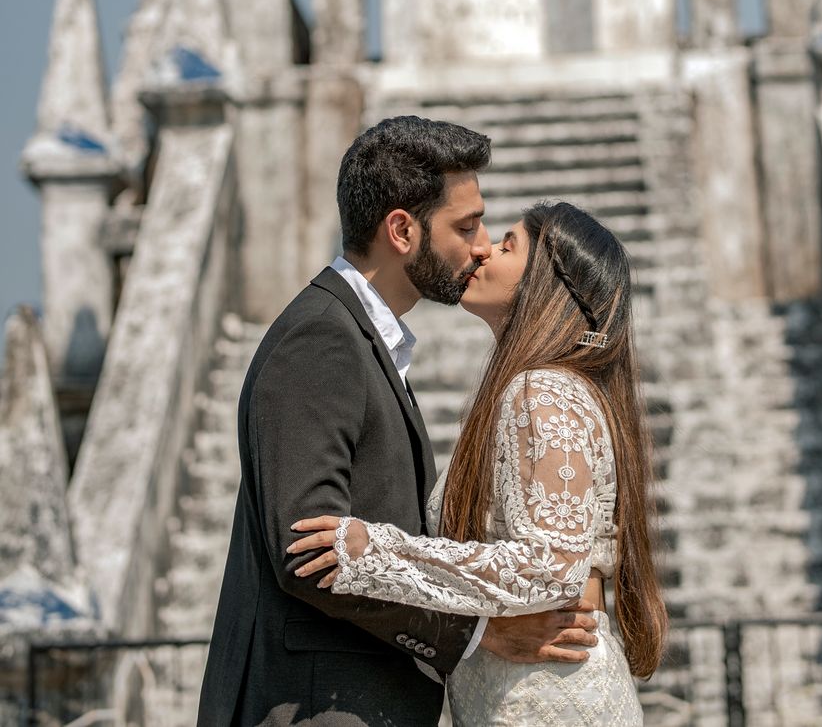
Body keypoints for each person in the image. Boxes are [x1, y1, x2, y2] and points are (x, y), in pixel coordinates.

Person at [197, 118, 602, 727]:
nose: (482, 245)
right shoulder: (322, 339)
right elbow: (308, 551)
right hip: (319, 706)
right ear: (402, 230)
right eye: (466, 226)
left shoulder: (365, 342)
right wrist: (474, 634)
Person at [287, 200, 666, 725]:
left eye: (509, 245)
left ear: (546, 283)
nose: (483, 249)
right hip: (521, 686)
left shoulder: (543, 390)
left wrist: (376, 552)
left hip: (545, 695)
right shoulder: (541, 387)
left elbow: (550, 569)